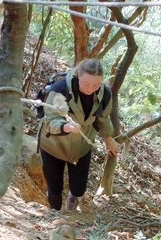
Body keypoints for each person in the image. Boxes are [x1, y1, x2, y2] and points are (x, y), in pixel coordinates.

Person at [37, 58, 120, 211]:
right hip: (53, 145)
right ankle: (55, 216)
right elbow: (49, 120)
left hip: (81, 146)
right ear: (78, 75)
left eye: (96, 84)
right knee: (55, 188)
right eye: (86, 84)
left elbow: (104, 118)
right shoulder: (60, 88)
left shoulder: (104, 94)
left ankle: (71, 211)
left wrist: (108, 139)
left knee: (79, 188)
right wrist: (66, 126)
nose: (91, 88)